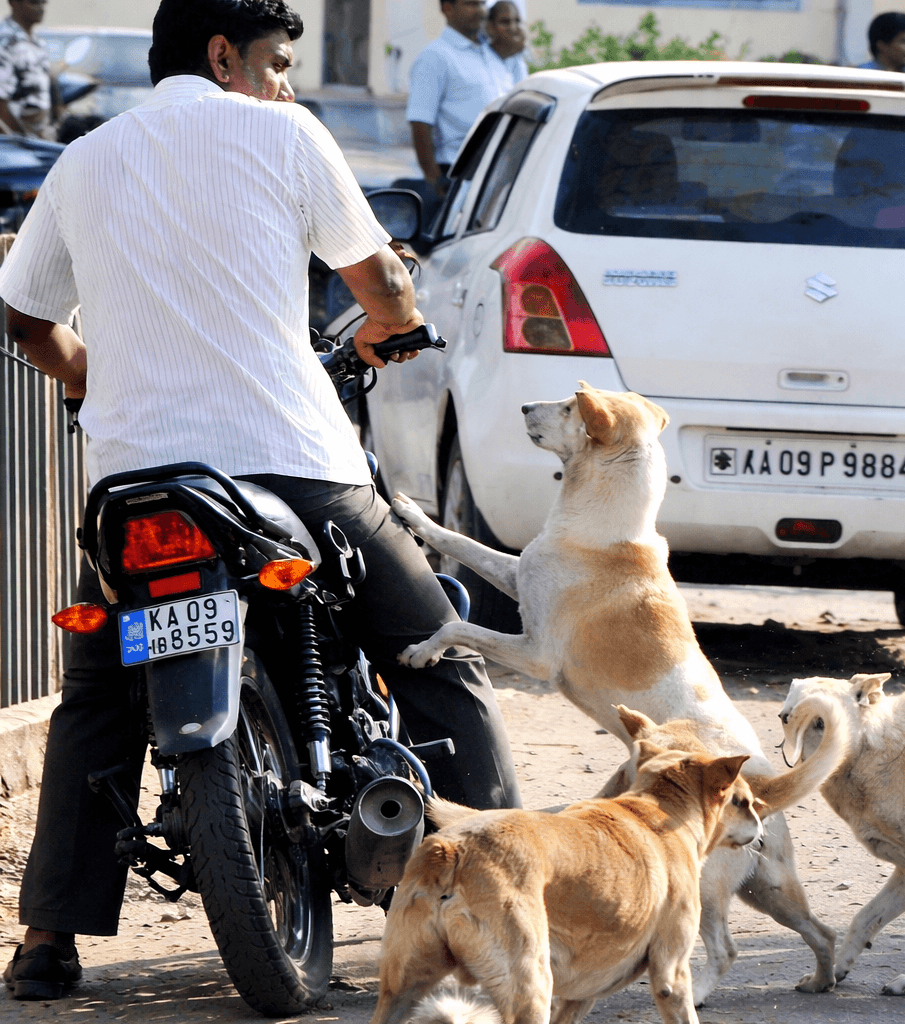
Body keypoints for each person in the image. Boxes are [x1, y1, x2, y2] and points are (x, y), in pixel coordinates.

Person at [0, 0, 522, 1001]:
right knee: (439, 654)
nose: (285, 83)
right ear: (222, 55)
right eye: (277, 62)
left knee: (97, 698)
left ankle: (45, 940)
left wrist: (88, 375)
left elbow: (25, 320)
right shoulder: (285, 134)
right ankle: (508, 895)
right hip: (293, 466)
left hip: (137, 490)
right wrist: (386, 329)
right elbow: (387, 288)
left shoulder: (83, 160)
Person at [407, 0, 512, 194]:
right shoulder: (435, 57)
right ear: (448, 8)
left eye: (482, 3)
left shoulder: (492, 54)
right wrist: (434, 181)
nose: (481, 11)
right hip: (457, 175)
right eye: (471, 4)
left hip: (496, 173)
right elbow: (420, 123)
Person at [0, 0, 57, 139]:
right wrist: (21, 139)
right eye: (34, 2)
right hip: (16, 141)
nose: (41, 8)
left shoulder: (35, 41)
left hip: (38, 135)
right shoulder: (6, 40)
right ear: (14, 3)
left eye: (43, 3)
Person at [485, 0, 527, 86]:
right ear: (490, 27)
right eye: (505, 22)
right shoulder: (482, 59)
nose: (513, 27)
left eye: (517, 21)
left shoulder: (517, 61)